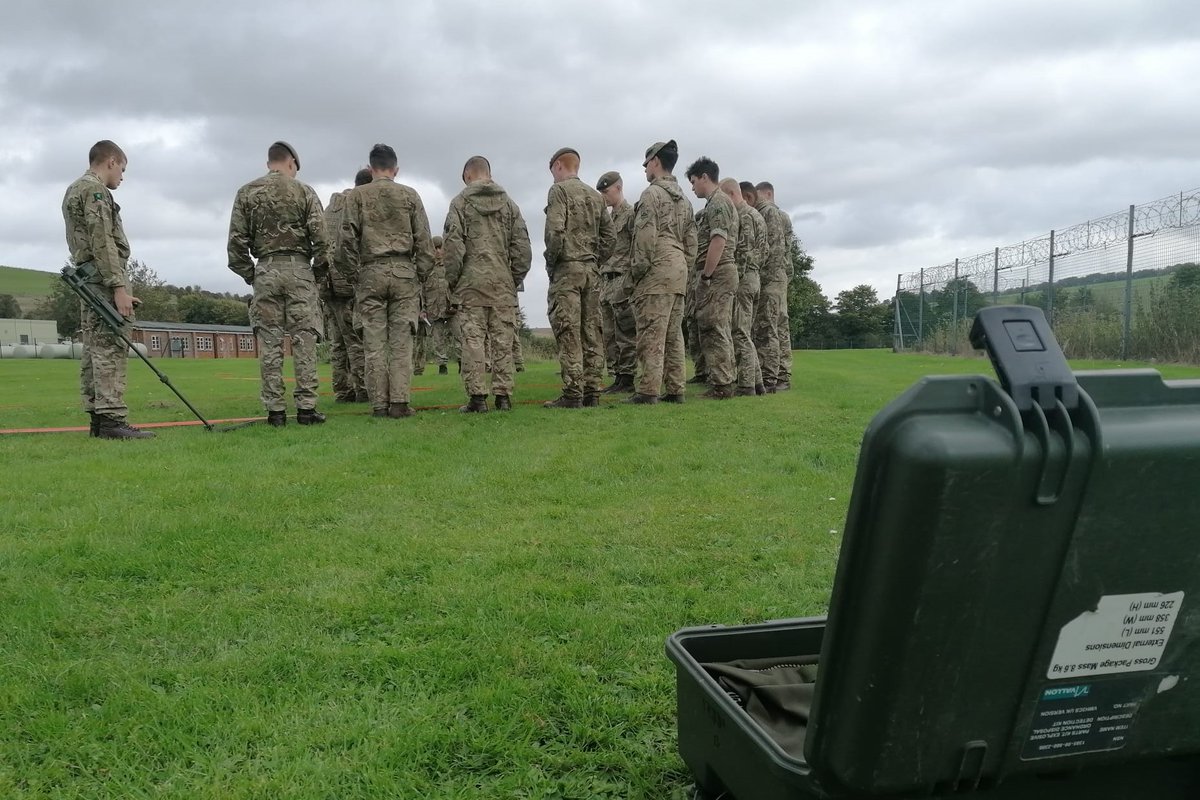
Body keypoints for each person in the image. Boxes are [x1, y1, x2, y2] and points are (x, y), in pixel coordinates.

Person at [227, 140, 329, 427]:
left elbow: (235, 245)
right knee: (304, 340)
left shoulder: (246, 192)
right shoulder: (304, 191)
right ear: (292, 163)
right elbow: (322, 241)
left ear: (269, 162)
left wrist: (254, 274)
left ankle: (275, 412)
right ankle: (307, 409)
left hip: (266, 270)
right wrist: (314, 275)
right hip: (299, 270)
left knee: (270, 343)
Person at [62, 139, 154, 439]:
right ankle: (112, 420)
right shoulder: (95, 190)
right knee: (110, 346)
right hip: (102, 279)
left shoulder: (74, 188)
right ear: (111, 161)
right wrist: (118, 288)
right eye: (122, 169)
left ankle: (99, 421)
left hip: (89, 278)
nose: (122, 177)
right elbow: (102, 241)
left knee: (93, 348)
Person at [339, 143, 435, 418]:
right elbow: (425, 243)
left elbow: (345, 242)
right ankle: (400, 403)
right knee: (402, 341)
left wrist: (355, 276)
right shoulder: (410, 196)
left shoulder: (357, 196)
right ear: (396, 169)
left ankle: (379, 404)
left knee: (374, 342)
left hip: (370, 272)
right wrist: (418, 275)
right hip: (404, 272)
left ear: (371, 169)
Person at [442, 155, 532, 413]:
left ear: (468, 175)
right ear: (488, 174)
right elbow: (523, 249)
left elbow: (453, 248)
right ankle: (503, 397)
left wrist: (453, 282)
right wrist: (512, 278)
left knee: (473, 343)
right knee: (503, 341)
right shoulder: (510, 205)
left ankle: (478, 398)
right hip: (502, 284)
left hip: (471, 285)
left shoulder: (459, 203)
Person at [626, 140, 696, 405]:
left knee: (651, 333)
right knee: (673, 335)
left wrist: (637, 273)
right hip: (678, 270)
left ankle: (648, 391)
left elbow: (644, 239)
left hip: (656, 270)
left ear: (655, 162)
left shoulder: (651, 195)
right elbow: (692, 242)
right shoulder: (685, 200)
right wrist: (684, 267)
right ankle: (676, 389)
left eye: (646, 165)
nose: (645, 170)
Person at [543, 147, 613, 408]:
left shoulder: (558, 192)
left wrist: (553, 263)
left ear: (559, 166)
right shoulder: (596, 197)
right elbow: (610, 237)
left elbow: (555, 233)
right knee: (591, 331)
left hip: (567, 270)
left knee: (568, 329)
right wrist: (595, 259)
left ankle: (573, 393)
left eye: (553, 171)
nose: (553, 177)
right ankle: (592, 391)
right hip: (591, 271)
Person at [686, 157, 739, 399]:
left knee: (714, 326)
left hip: (718, 272)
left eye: (694, 181)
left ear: (705, 177)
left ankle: (722, 385)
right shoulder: (715, 203)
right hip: (719, 272)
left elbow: (718, 240)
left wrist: (706, 275)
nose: (693, 186)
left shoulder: (718, 203)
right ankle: (722, 380)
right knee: (715, 326)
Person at [323, 167, 371, 402]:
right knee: (356, 340)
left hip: (327, 285)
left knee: (338, 342)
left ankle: (342, 390)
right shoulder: (357, 206)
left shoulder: (330, 208)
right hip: (347, 283)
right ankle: (363, 389)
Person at [722, 178, 765, 396]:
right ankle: (757, 383)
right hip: (755, 277)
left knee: (739, 331)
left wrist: (734, 279)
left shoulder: (744, 216)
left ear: (731, 194)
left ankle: (746, 385)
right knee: (745, 332)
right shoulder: (757, 215)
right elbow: (763, 252)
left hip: (744, 279)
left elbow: (743, 251)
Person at [596, 171, 637, 393]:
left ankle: (628, 378)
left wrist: (631, 281)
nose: (603, 197)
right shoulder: (610, 218)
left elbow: (636, 248)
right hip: (607, 281)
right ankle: (619, 376)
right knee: (610, 335)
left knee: (625, 333)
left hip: (623, 280)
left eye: (606, 191)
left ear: (619, 188)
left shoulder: (631, 215)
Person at [753, 181, 796, 391]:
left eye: (757, 196)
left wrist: (763, 277)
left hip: (772, 277)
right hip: (780, 276)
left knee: (770, 325)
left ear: (768, 194)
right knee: (779, 325)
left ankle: (774, 376)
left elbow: (776, 249)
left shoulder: (769, 213)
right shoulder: (782, 216)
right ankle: (781, 374)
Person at [426, 235, 454, 375]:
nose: (437, 251)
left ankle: (462, 362)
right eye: (435, 248)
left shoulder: (451, 266)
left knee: (459, 336)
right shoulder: (426, 269)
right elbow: (421, 290)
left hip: (452, 308)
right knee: (438, 340)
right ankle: (442, 366)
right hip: (434, 308)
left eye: (440, 247)